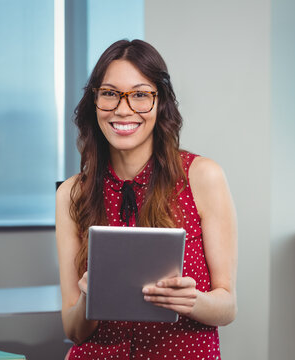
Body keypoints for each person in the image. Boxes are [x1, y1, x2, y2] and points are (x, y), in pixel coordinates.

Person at [56, 39, 238, 360]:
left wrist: (192, 301)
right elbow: (72, 330)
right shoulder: (72, 193)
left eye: (140, 94)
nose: (123, 109)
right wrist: (91, 297)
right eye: (109, 94)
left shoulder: (202, 176)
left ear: (161, 103)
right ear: (94, 102)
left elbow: (227, 306)